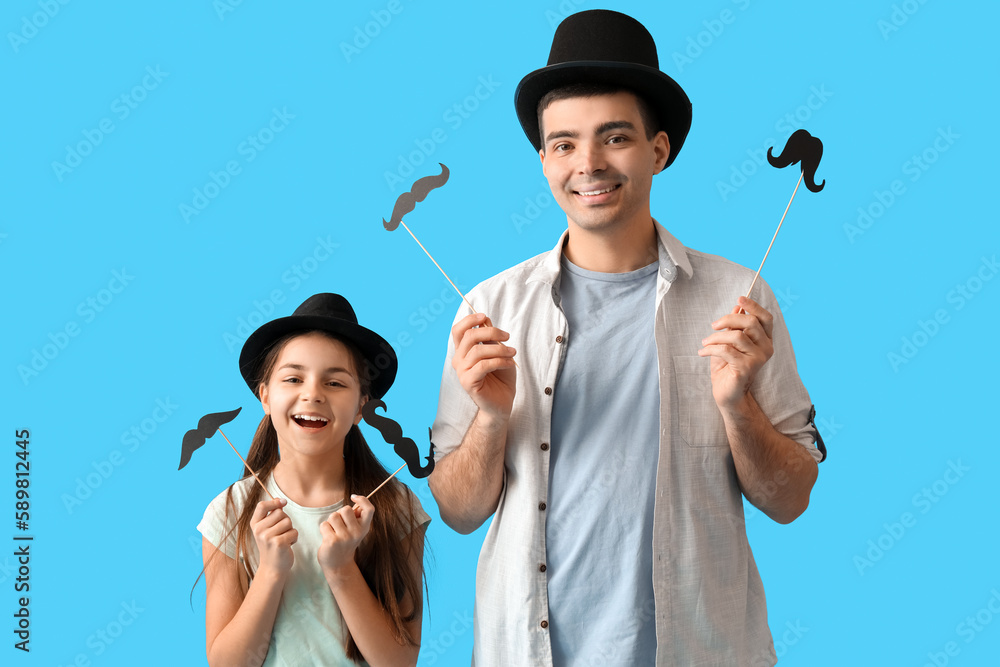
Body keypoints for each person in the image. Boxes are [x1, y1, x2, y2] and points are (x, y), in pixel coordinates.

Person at [428, 10, 826, 667]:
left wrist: (736, 405)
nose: (587, 164)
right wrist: (492, 417)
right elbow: (460, 511)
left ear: (658, 150)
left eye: (614, 138)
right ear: (544, 158)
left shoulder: (741, 300)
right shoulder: (488, 308)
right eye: (563, 143)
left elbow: (790, 500)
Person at [198, 293, 429, 666]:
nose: (313, 394)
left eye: (335, 383)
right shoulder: (231, 512)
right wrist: (271, 571)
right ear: (265, 396)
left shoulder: (394, 506)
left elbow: (398, 661)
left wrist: (341, 567)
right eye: (293, 378)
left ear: (360, 407)